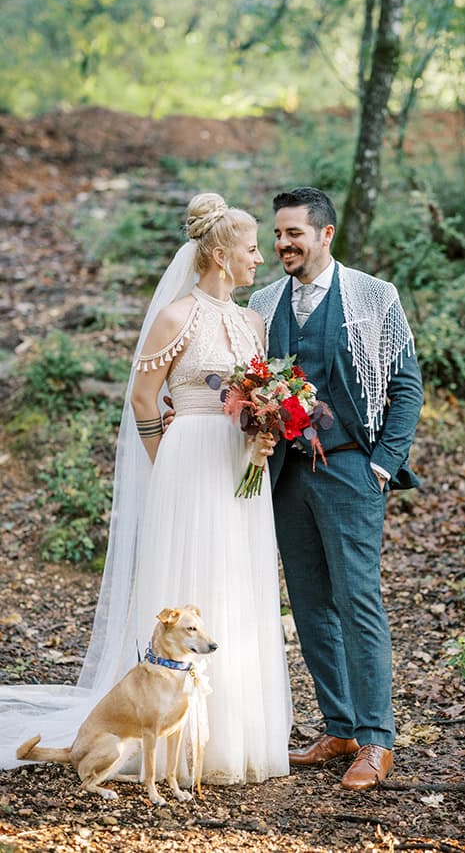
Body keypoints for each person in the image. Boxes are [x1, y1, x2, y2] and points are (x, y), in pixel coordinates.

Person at [0, 193, 291, 787]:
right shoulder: (176, 316)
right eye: (251, 247)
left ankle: (230, 737)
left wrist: (264, 436)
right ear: (218, 251)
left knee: (237, 580)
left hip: (240, 467)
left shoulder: (253, 322)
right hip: (186, 461)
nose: (260, 258)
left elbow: (257, 400)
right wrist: (168, 463)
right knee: (190, 574)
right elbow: (142, 397)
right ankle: (161, 728)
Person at [249, 186, 423, 791]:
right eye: (276, 234)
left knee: (359, 602)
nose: (281, 244)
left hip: (352, 470)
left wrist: (383, 464)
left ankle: (376, 741)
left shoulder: (375, 297)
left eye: (293, 233)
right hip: (287, 476)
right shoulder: (265, 300)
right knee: (309, 602)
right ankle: (339, 726)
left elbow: (406, 386)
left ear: (325, 234)